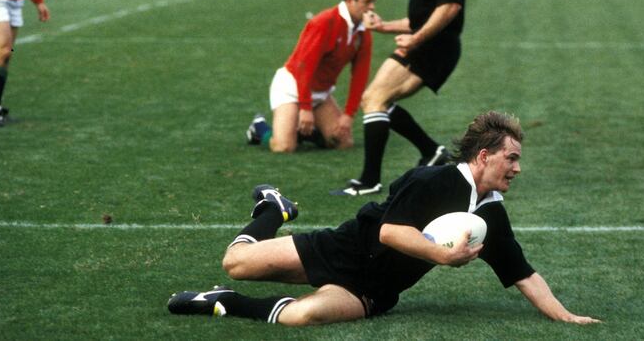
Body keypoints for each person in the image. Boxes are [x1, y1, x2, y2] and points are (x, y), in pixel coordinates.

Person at [168, 111, 601, 326]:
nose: (518, 168)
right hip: (344, 248)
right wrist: (441, 256)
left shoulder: (491, 214)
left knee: (303, 317)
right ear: (484, 156)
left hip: (375, 290)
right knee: (237, 262)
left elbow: (523, 274)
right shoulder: (431, 180)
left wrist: (565, 315)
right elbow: (390, 232)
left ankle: (223, 302)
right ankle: (272, 210)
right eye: (512, 158)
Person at [332, 0, 465, 196]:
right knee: (375, 99)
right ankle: (431, 152)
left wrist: (416, 39)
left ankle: (369, 182)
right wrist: (385, 26)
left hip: (435, 47)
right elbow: (423, 17)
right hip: (429, 43)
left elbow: (450, 6)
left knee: (376, 98)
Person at [245, 0, 376, 152]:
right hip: (292, 86)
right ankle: (260, 129)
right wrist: (305, 108)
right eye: (367, 2)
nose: (372, 7)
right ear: (350, 1)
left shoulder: (363, 31)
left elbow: (360, 76)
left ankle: (305, 133)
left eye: (373, 2)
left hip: (321, 93)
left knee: (343, 143)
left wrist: (348, 115)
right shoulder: (324, 22)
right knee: (284, 147)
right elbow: (304, 67)